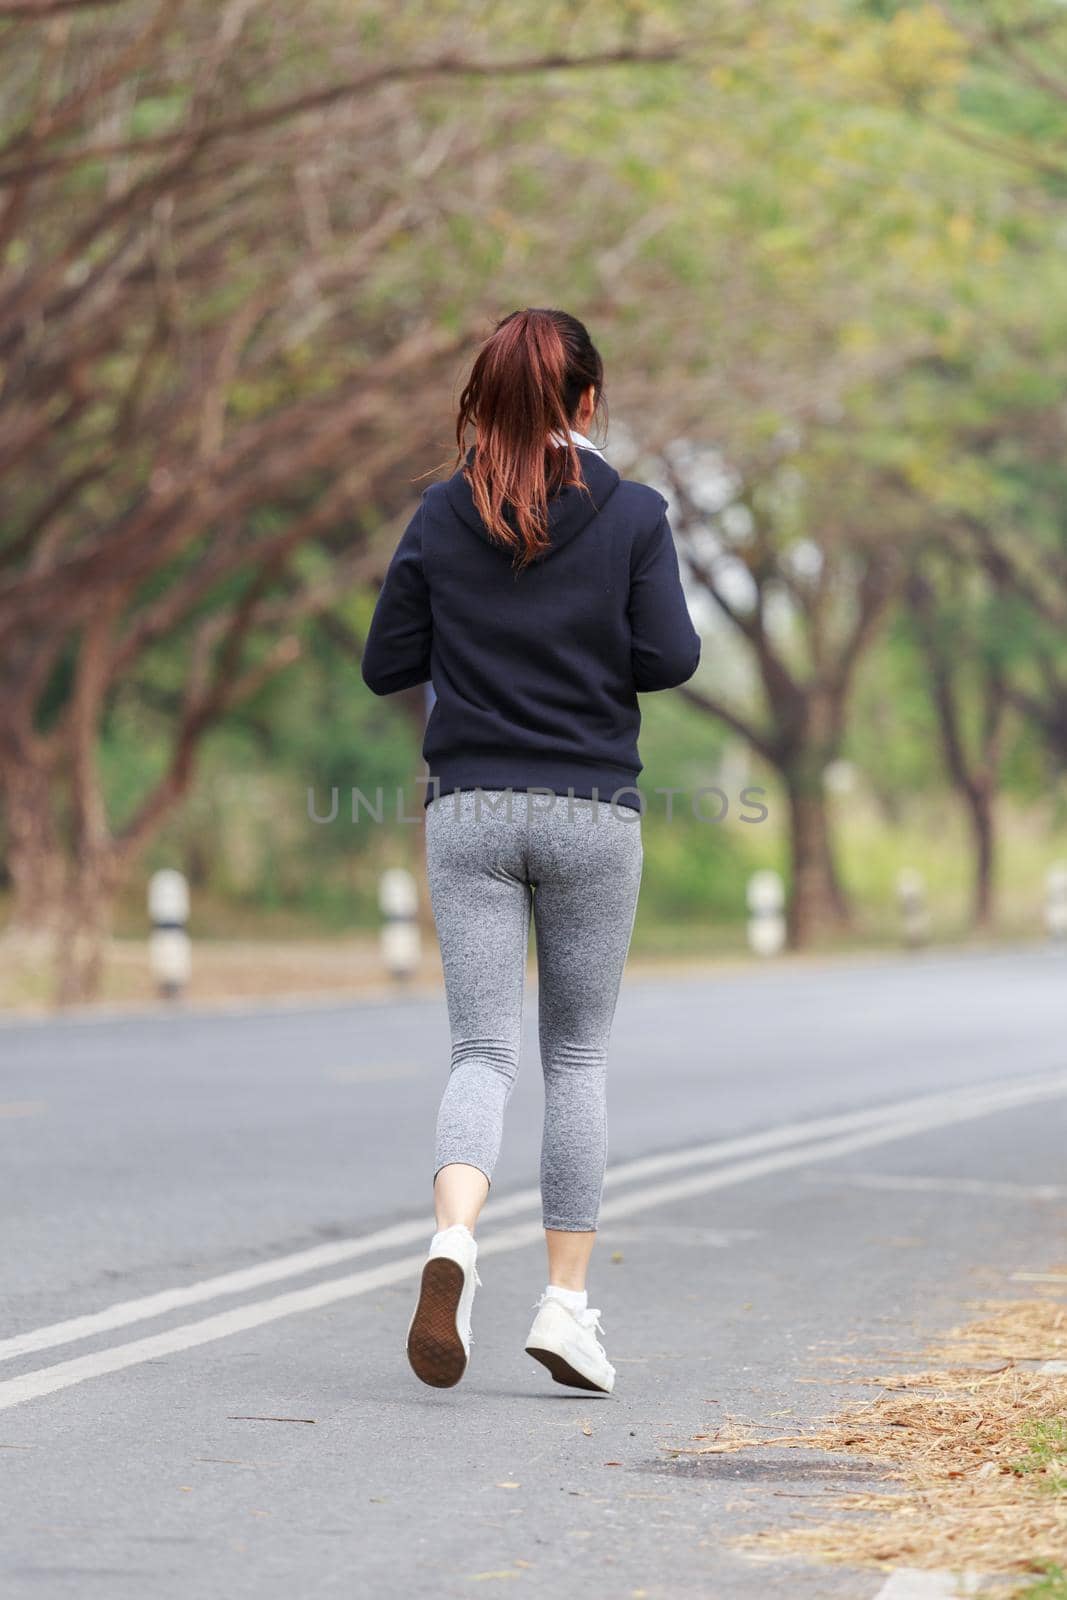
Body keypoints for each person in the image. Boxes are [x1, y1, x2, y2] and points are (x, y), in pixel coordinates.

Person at [361, 308, 701, 1394]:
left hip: (467, 809)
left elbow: (385, 664)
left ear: (482, 402)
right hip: (591, 811)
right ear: (588, 404)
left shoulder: (439, 511)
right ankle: (563, 1304)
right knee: (575, 1059)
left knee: (481, 1054)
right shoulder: (633, 511)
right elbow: (672, 656)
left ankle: (453, 1242)